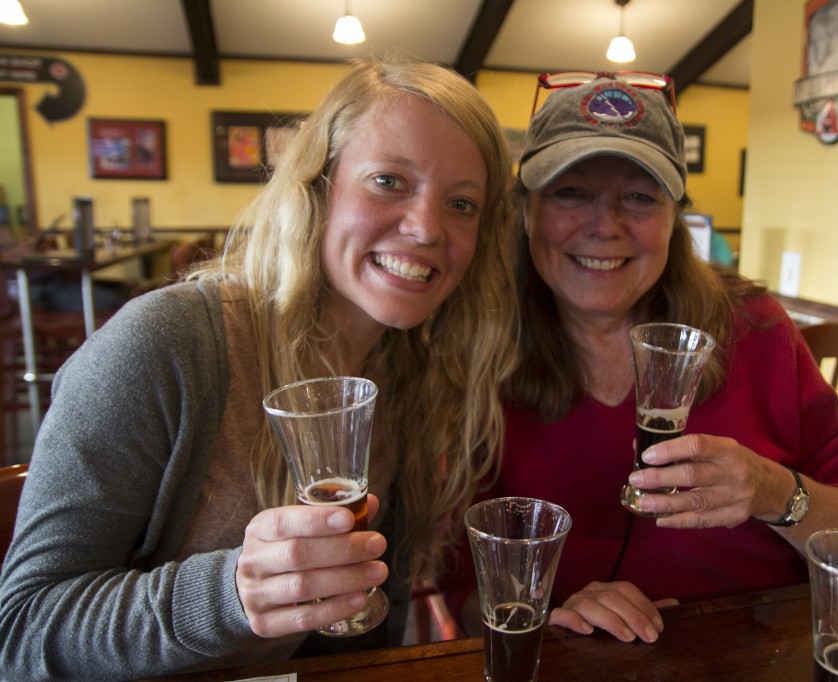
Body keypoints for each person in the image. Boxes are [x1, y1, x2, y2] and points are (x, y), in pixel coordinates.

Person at [0, 56, 517, 680]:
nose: (427, 227)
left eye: (462, 204)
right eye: (389, 180)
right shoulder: (164, 346)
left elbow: (362, 627)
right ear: (319, 187)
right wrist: (231, 593)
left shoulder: (414, 375)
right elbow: (23, 635)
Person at [439, 72, 838, 645]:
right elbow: (457, 582)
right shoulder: (477, 348)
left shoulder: (756, 327)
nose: (604, 226)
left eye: (639, 197)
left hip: (764, 651)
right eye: (570, 192)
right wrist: (539, 609)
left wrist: (776, 492)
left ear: (675, 217)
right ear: (525, 210)